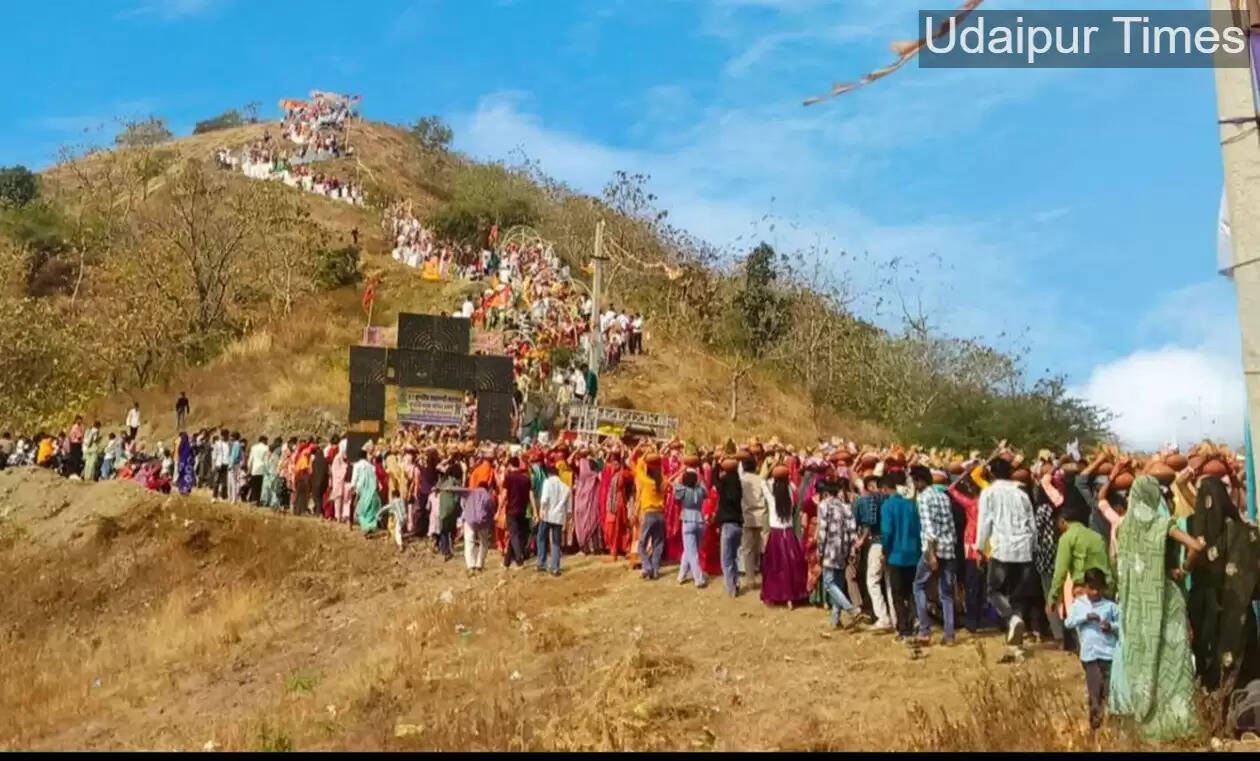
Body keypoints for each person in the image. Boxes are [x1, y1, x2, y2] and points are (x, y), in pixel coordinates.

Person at [1112, 474, 1204, 741]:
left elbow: (1117, 560)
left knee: (1144, 659)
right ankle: (1176, 720)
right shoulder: (1163, 524)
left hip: (1137, 608)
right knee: (1173, 661)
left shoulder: (1122, 528)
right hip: (1166, 600)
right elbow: (1195, 546)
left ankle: (1146, 718)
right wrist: (1184, 568)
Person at [974, 457, 1038, 656]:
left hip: (1002, 548)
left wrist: (980, 547)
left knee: (994, 591)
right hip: (1024, 549)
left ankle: (1011, 619)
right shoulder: (1021, 494)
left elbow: (985, 521)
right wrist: (1034, 547)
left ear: (991, 473)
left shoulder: (989, 492)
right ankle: (1015, 646)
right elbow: (1032, 523)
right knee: (1017, 595)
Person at [1064, 568, 1119, 734]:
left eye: (1098, 588)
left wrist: (1110, 626)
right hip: (1090, 656)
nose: (1095, 592)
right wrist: (1086, 617)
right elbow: (1069, 622)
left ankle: (1112, 727)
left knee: (1110, 692)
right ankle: (1095, 728)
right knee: (1095, 692)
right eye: (1092, 588)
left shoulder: (1110, 607)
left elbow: (1122, 626)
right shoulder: (1079, 604)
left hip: (1109, 654)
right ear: (1086, 587)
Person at [911, 466, 957, 645]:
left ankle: (924, 630)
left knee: (918, 586)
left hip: (933, 548)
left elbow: (929, 529)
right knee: (946, 593)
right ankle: (949, 634)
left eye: (915, 481)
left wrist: (931, 555)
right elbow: (950, 526)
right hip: (948, 548)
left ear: (919, 481)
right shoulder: (944, 497)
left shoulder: (923, 498)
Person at [880, 471, 921, 640]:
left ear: (886, 488)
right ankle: (915, 620)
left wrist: (884, 550)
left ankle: (903, 628)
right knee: (912, 591)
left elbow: (887, 531)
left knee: (897, 593)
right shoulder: (911, 503)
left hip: (896, 554)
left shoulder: (888, 506)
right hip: (913, 553)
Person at [760, 465, 807, 606]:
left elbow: (762, 480)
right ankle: (791, 597)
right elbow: (792, 484)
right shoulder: (790, 492)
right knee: (791, 566)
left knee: (776, 566)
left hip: (776, 533)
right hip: (789, 532)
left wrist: (772, 466)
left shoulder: (771, 496)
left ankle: (779, 594)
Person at [816, 478, 859, 628]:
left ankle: (850, 609)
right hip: (844, 549)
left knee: (828, 583)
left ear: (826, 493)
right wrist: (852, 550)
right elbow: (852, 530)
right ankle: (835, 620)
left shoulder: (823, 505)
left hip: (830, 549)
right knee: (839, 584)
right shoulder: (845, 507)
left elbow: (822, 530)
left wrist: (819, 550)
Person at [855, 474, 893, 632]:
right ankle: (896, 617)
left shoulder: (868, 500)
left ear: (869, 486)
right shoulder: (888, 499)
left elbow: (867, 523)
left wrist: (861, 540)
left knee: (873, 580)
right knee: (890, 582)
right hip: (891, 544)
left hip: (877, 542)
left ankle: (883, 618)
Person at [634, 449, 667, 580]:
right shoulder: (663, 482)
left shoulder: (647, 482)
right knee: (658, 544)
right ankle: (656, 570)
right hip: (660, 515)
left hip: (649, 514)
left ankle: (647, 567)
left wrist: (646, 454)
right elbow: (662, 469)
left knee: (642, 544)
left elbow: (638, 466)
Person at [673, 466, 708, 588]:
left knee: (691, 552)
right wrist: (698, 475)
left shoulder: (683, 490)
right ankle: (681, 576)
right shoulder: (700, 491)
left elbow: (675, 484)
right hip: (700, 520)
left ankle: (699, 579)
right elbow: (704, 487)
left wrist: (681, 472)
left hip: (688, 520)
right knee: (690, 550)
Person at [537, 459, 571, 576]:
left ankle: (541, 562)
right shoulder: (566, 488)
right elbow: (569, 508)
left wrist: (541, 511)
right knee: (556, 542)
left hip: (547, 514)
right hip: (559, 517)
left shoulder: (547, 482)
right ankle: (555, 567)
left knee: (541, 537)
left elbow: (544, 499)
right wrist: (567, 520)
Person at [739, 456, 769, 586]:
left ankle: (750, 578)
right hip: (762, 515)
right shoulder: (761, 480)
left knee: (748, 549)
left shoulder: (742, 480)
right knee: (763, 548)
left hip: (747, 516)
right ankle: (766, 576)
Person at [502, 457, 535, 568]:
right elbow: (531, 495)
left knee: (514, 535)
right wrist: (535, 510)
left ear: (511, 465)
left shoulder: (508, 478)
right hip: (522, 510)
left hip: (511, 510)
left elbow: (504, 495)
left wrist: (498, 510)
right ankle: (506, 562)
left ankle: (519, 559)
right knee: (515, 535)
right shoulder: (526, 479)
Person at [351, 444, 383, 533]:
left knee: (361, 508)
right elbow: (375, 478)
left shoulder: (357, 465)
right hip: (371, 489)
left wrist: (353, 487)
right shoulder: (371, 466)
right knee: (369, 508)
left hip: (361, 489)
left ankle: (365, 527)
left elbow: (354, 478)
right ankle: (370, 525)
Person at [248, 436, 270, 506]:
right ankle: (257, 500)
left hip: (255, 468)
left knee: (254, 485)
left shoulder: (254, 447)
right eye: (266, 441)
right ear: (263, 440)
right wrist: (268, 470)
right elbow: (266, 460)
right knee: (260, 486)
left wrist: (249, 469)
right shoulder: (266, 448)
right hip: (262, 468)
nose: (267, 442)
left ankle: (253, 500)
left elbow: (251, 459)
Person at [211, 430, 230, 501]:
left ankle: (223, 496)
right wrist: (213, 465)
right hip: (219, 464)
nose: (225, 437)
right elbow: (214, 455)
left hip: (226, 464)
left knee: (225, 482)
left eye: (226, 435)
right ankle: (214, 496)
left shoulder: (229, 444)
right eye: (223, 435)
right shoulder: (217, 444)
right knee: (216, 481)